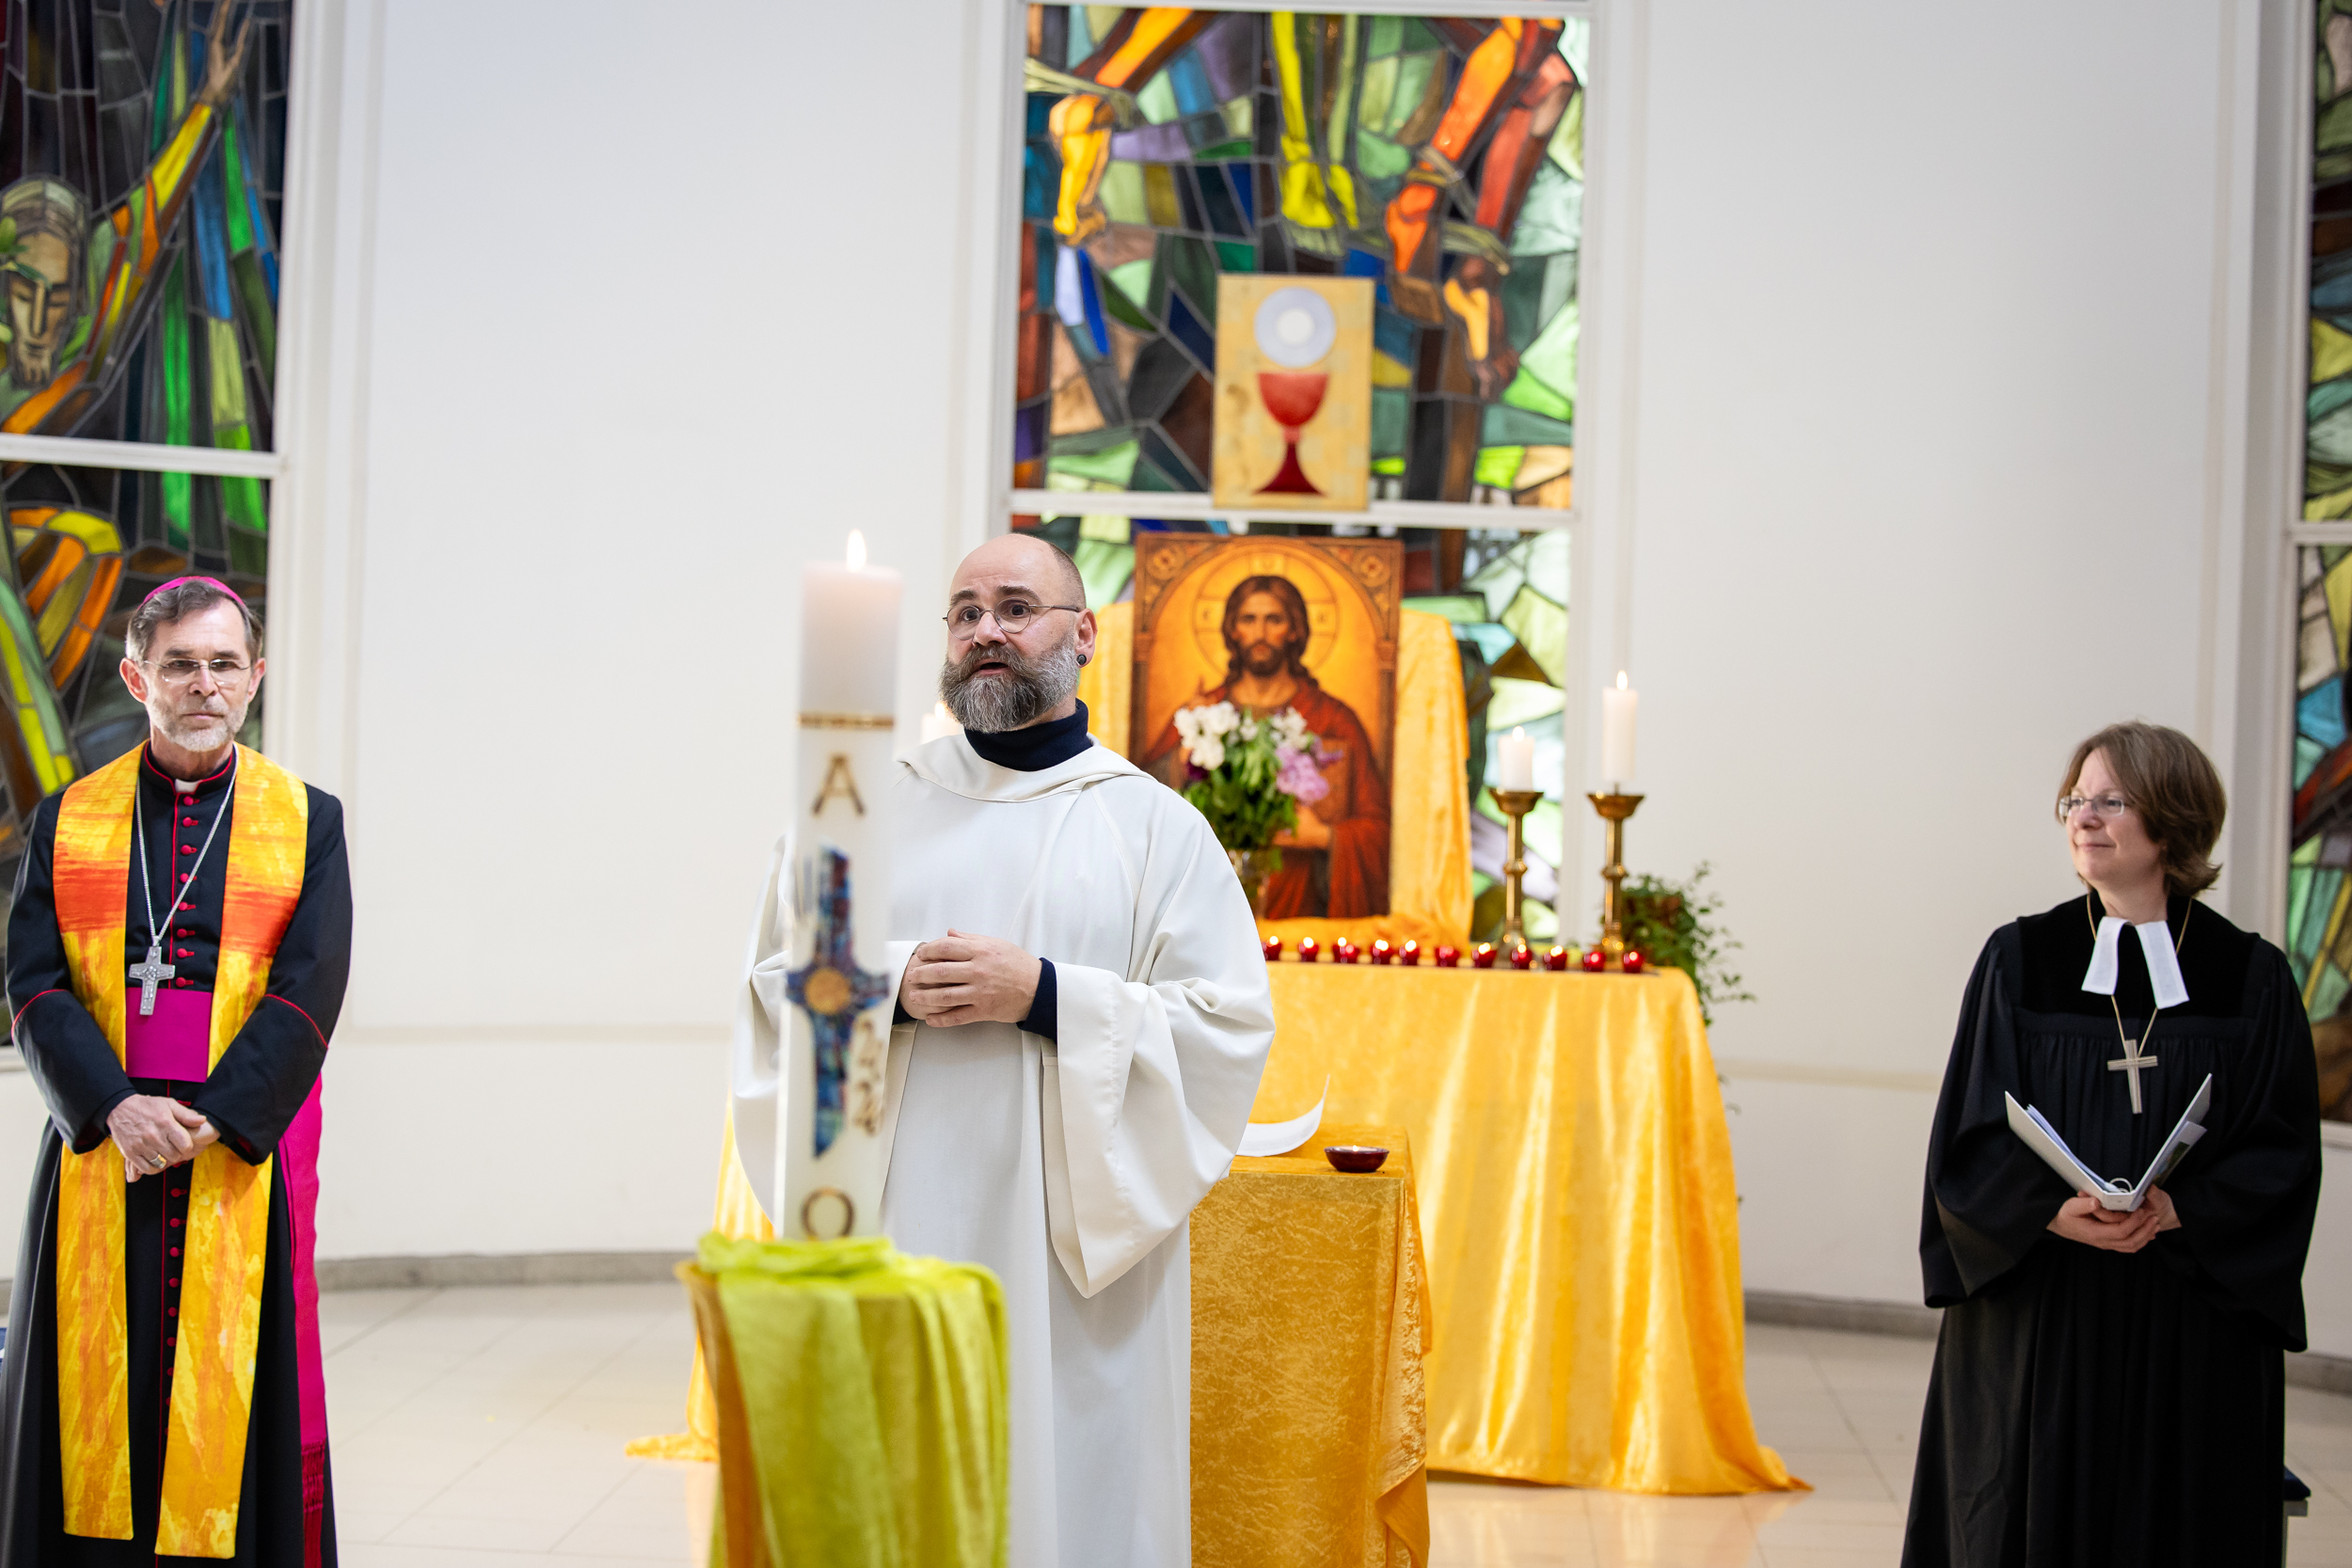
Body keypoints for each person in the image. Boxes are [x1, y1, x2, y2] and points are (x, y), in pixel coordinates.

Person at [734, 532, 1273, 1567]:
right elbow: (772, 984)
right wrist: (888, 986)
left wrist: (1049, 996)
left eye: (1016, 608)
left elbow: (1224, 1022)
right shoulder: (858, 808)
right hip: (899, 1227)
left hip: (1071, 1265)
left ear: (1084, 634)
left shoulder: (1152, 827)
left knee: (1063, 1483)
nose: (987, 629)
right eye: (966, 611)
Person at [1903, 721, 2321, 1567]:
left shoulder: (2251, 976)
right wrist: (2049, 1209)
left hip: (2188, 1324)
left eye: (2111, 801)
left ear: (2173, 821)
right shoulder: (2021, 958)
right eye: (2075, 800)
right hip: (2043, 1315)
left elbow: (2282, 1153)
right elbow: (1968, 1134)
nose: (2083, 818)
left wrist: (2180, 1207)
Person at [0, 577, 351, 1565]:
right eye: (181, 664)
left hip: (234, 1147)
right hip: (102, 1142)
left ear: (255, 677)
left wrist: (220, 1116)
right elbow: (32, 983)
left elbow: (312, 984)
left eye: (224, 663)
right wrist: (113, 1103)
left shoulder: (308, 819)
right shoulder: (70, 818)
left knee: (227, 1395)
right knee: (88, 1393)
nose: (205, 684)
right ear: (136, 678)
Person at [1140, 573, 1391, 917]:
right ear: (1233, 630)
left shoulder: (1332, 718)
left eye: (1274, 619)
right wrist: (1179, 762)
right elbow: (1140, 800)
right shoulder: (1202, 715)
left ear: (1294, 630)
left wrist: (1323, 836)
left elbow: (1377, 830)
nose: (1260, 632)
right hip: (1210, 902)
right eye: (1248, 619)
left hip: (1301, 911)